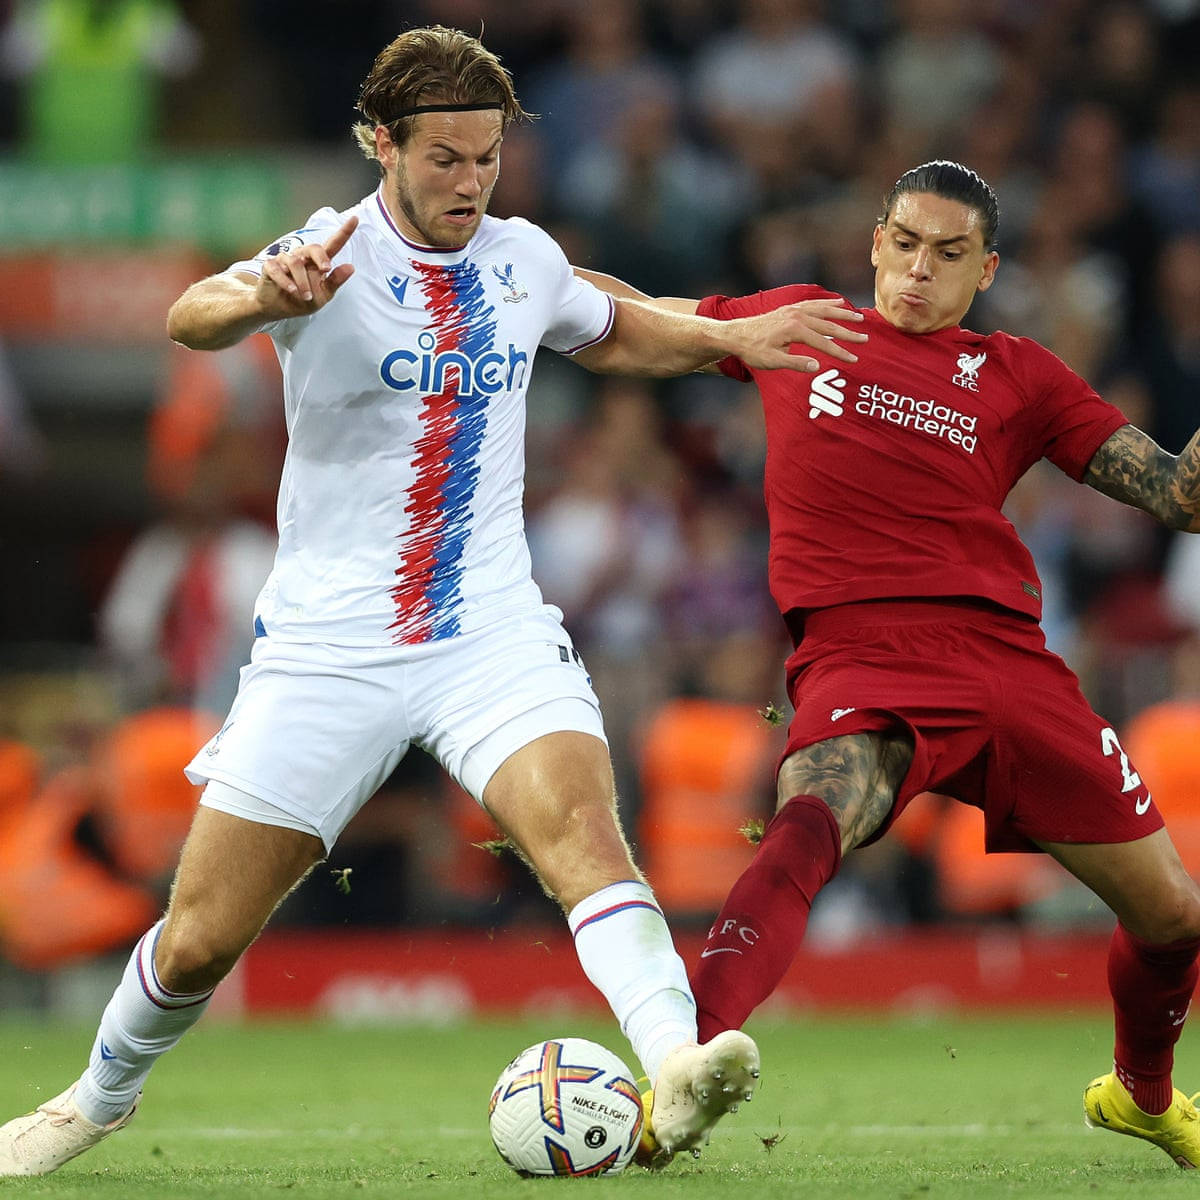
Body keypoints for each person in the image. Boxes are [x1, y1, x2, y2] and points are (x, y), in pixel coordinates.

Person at [0, 25, 867, 1177]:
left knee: (585, 841)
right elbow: (193, 315)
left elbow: (611, 327)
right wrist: (264, 291)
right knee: (203, 935)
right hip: (328, 647)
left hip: (489, 630)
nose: (470, 183)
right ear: (382, 144)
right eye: (446, 159)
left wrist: (729, 337)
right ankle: (97, 1099)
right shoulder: (327, 250)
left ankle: (677, 1063)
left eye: (487, 158)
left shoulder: (522, 260)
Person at [579, 159, 1200, 1171]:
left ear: (986, 268)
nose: (919, 270)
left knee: (1173, 913)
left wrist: (1193, 477)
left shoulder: (1021, 376)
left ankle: (1141, 1095)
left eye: (949, 254)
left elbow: (1172, 494)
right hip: (863, 649)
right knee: (814, 812)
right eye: (904, 244)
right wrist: (523, 281)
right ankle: (680, 1071)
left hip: (1009, 665)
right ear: (875, 243)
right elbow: (648, 319)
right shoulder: (801, 323)